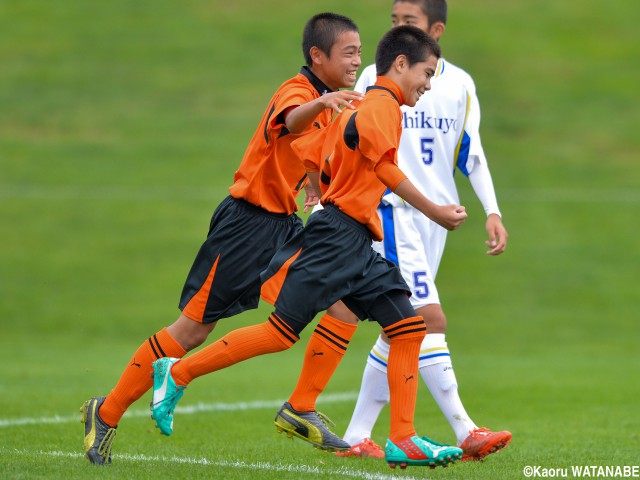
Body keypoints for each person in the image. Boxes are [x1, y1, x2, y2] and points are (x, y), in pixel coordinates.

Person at [151, 25, 469, 470]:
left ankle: (403, 439)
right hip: (337, 238)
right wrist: (437, 211)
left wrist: (318, 187)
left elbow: (314, 151)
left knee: (408, 329)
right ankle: (178, 372)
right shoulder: (381, 106)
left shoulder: (363, 105)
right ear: (400, 64)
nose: (429, 85)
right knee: (281, 334)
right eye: (427, 73)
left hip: (357, 239)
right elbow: (385, 170)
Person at [79, 12, 365, 465]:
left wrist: (314, 184)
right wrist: (323, 105)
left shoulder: (329, 101)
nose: (357, 60)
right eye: (349, 52)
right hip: (245, 226)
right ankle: (107, 411)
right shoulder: (300, 92)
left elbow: (307, 152)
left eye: (359, 51)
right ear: (318, 56)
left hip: (284, 227)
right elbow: (290, 121)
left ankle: (302, 407)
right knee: (191, 331)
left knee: (344, 302)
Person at [277, 0, 511, 462]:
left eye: (410, 21)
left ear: (435, 30)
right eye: (395, 21)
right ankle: (464, 431)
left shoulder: (459, 84)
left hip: (434, 220)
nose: (397, 29)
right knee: (425, 320)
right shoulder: (374, 81)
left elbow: (472, 150)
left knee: (394, 326)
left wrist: (493, 211)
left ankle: (358, 434)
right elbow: (347, 140)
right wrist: (318, 182)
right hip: (394, 212)